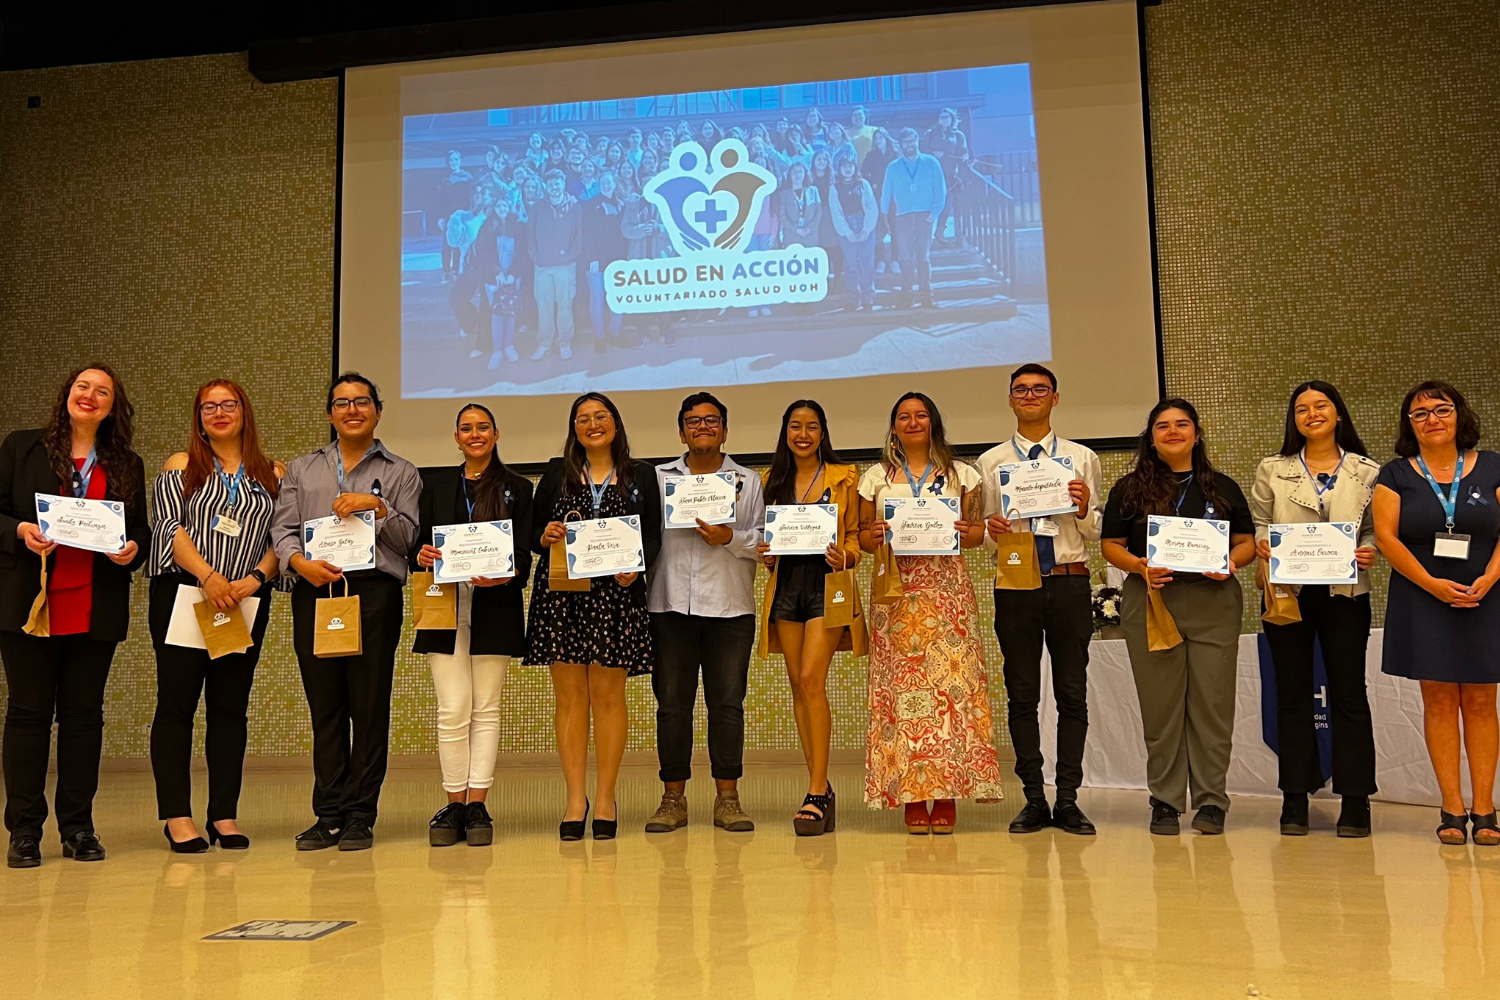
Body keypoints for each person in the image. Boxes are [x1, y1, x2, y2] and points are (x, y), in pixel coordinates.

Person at [1, 365, 149, 868]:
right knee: (28, 715)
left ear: (113, 407)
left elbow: (141, 534)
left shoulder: (127, 463)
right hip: (31, 605)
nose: (90, 396)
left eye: (102, 391)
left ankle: (78, 827)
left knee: (83, 719)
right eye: (83, 387)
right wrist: (21, 529)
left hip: (94, 607)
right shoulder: (22, 447)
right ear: (67, 394)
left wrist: (131, 549)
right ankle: (23, 830)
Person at [271, 372, 421, 852]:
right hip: (315, 590)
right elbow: (283, 529)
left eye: (362, 402)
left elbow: (408, 541)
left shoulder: (401, 471)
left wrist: (376, 506)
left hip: (374, 593)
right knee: (326, 707)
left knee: (369, 706)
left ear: (378, 410)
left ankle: (360, 814)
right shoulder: (302, 468)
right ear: (330, 413)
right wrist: (297, 563)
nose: (352, 410)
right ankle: (328, 812)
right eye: (342, 403)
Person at [1101, 399, 1256, 836]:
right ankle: (1165, 801)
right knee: (1161, 707)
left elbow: (1246, 541)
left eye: (1181, 424)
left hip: (1214, 601)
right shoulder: (1128, 489)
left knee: (1212, 705)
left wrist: (1231, 561)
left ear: (1197, 433)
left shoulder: (1222, 486)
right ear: (1150, 437)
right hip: (1151, 601)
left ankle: (1211, 802)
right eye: (1162, 426)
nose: (1172, 431)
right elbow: (1111, 545)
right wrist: (1139, 567)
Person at [857, 392, 1003, 832]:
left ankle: (946, 792)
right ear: (894, 425)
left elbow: (977, 536)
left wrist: (966, 529)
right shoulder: (875, 478)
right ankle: (911, 793)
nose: (913, 422)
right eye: (904, 416)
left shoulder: (964, 475)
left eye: (921, 415)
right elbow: (863, 539)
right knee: (903, 695)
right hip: (895, 595)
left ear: (933, 422)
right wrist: (876, 533)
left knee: (951, 692)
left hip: (947, 595)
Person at [147, 380, 282, 853]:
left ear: (245, 411)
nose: (219, 413)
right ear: (198, 416)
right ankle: (178, 817)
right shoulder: (180, 467)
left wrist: (256, 579)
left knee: (229, 709)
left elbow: (280, 539)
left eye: (229, 404)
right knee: (177, 705)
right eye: (209, 407)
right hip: (186, 592)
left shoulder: (273, 474)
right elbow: (169, 526)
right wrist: (209, 576)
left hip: (245, 598)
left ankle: (224, 814)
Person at [525, 393, 662, 841]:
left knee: (608, 697)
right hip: (563, 595)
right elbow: (531, 533)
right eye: (583, 419)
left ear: (616, 424)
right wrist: (543, 535)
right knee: (569, 699)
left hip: (618, 596)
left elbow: (655, 537)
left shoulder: (641, 475)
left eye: (601, 416)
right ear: (574, 428)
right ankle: (575, 800)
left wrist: (636, 565)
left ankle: (605, 797)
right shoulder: (555, 472)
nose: (592, 424)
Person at [1250, 381, 1382, 838]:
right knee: (1291, 693)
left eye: (1321, 405)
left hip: (1346, 593)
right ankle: (1293, 797)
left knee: (1349, 693)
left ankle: (1355, 799)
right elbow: (1261, 524)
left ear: (1338, 414)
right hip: (1289, 592)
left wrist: (1368, 549)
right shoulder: (1273, 468)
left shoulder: (1367, 471)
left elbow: (1372, 530)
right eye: (1302, 409)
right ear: (1294, 419)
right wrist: (1265, 546)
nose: (1312, 414)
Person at [978, 364, 1102, 836]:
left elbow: (1094, 529)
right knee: (1022, 693)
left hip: (1069, 580)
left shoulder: (1082, 458)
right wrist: (993, 533)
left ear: (1055, 397)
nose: (1029, 395)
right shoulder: (990, 464)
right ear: (1011, 399)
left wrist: (1086, 507)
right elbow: (989, 536)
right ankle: (1033, 797)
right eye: (1021, 390)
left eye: (1039, 389)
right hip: (1016, 583)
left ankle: (1068, 798)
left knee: (1072, 693)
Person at [1373, 381, 1499, 846]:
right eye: (1420, 413)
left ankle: (1485, 809)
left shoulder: (1493, 465)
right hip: (1423, 597)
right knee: (1440, 700)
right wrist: (1433, 586)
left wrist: (1488, 577)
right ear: (1410, 425)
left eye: (1441, 409)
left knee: (1483, 701)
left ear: (1458, 414)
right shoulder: (1395, 474)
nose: (1432, 419)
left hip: (1488, 593)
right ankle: (1451, 807)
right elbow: (1387, 539)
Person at [412, 404, 534, 848]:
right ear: (456, 437)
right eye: (467, 428)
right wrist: (421, 556)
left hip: (495, 605)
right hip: (443, 605)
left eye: (483, 427)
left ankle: (478, 802)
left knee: (485, 707)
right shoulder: (436, 485)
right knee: (452, 708)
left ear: (497, 434)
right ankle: (453, 804)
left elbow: (524, 553)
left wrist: (507, 572)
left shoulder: (518, 487)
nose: (475, 434)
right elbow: (417, 545)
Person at [644, 393, 765, 835]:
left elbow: (763, 541)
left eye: (711, 421)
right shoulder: (657, 479)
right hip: (669, 602)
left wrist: (729, 536)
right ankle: (672, 798)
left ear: (725, 431)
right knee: (672, 705)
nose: (702, 427)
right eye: (693, 422)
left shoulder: (747, 481)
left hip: (730, 607)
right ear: (681, 432)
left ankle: (727, 799)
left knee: (727, 705)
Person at [757, 400, 864, 836]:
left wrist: (848, 554)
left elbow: (857, 535)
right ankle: (818, 785)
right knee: (798, 685)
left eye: (813, 426)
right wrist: (767, 554)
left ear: (824, 433)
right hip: (786, 587)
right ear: (785, 432)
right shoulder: (771, 480)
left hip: (829, 585)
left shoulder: (845, 478)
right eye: (796, 426)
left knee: (811, 678)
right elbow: (765, 537)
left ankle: (817, 790)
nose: (804, 434)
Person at [880, 128, 945, 309]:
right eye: (905, 142)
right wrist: (884, 214)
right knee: (906, 258)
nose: (909, 145)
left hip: (925, 216)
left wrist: (934, 215)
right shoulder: (893, 167)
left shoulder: (931, 162)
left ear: (917, 140)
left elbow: (941, 191)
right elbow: (887, 192)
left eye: (912, 140)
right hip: (903, 217)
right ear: (900, 145)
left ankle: (927, 295)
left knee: (923, 258)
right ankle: (907, 295)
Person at [528, 169, 583, 361]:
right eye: (551, 183)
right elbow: (530, 234)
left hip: (565, 265)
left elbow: (579, 233)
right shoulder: (538, 207)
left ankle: (564, 343)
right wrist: (534, 255)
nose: (554, 186)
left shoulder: (574, 205)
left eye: (557, 182)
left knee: (565, 305)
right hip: (542, 265)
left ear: (563, 182)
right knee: (544, 306)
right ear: (546, 186)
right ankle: (544, 343)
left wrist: (571, 254)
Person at [583, 170, 627, 352]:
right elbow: (587, 234)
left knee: (618, 299)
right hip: (597, 261)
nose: (606, 185)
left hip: (618, 261)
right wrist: (592, 258)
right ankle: (599, 338)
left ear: (615, 184)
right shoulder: (592, 205)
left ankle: (615, 334)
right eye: (603, 183)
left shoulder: (622, 205)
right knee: (597, 299)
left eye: (609, 182)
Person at [828, 150, 878, 312]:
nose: (847, 169)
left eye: (850, 166)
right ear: (839, 169)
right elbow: (836, 211)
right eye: (844, 166)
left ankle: (868, 298)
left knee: (867, 263)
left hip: (864, 223)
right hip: (846, 225)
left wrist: (866, 230)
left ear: (855, 168)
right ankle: (852, 299)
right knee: (851, 265)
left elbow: (871, 207)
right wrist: (847, 232)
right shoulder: (835, 188)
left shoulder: (864, 184)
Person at [926, 109, 970, 246]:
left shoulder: (958, 135)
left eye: (947, 117)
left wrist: (964, 157)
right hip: (932, 173)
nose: (944, 119)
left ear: (952, 119)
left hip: (950, 174)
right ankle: (925, 232)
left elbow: (964, 152)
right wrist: (933, 153)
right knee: (930, 203)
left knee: (946, 202)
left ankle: (940, 231)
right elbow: (922, 150)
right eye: (941, 117)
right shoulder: (931, 133)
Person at [863, 127, 898, 274]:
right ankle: (880, 260)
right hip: (877, 196)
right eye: (876, 139)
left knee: (895, 228)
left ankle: (896, 260)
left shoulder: (895, 155)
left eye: (880, 138)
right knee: (878, 229)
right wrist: (872, 183)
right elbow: (863, 174)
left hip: (894, 197)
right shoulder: (871, 156)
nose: (878, 141)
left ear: (886, 138)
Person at [436, 150, 474, 283]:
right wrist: (441, 217)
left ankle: (457, 271)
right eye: (451, 160)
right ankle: (446, 272)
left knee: (460, 243)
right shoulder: (444, 178)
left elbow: (471, 196)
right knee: (446, 244)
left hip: (463, 214)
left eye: (456, 159)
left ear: (460, 160)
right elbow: (440, 199)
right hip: (448, 215)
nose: (454, 162)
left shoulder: (468, 176)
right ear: (448, 162)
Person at [778, 161, 821, 251]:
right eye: (794, 172)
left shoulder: (813, 190)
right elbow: (782, 216)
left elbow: (819, 212)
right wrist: (796, 229)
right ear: (790, 175)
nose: (797, 175)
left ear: (805, 174)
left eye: (800, 172)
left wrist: (810, 228)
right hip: (792, 236)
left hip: (811, 236)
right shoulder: (783, 194)